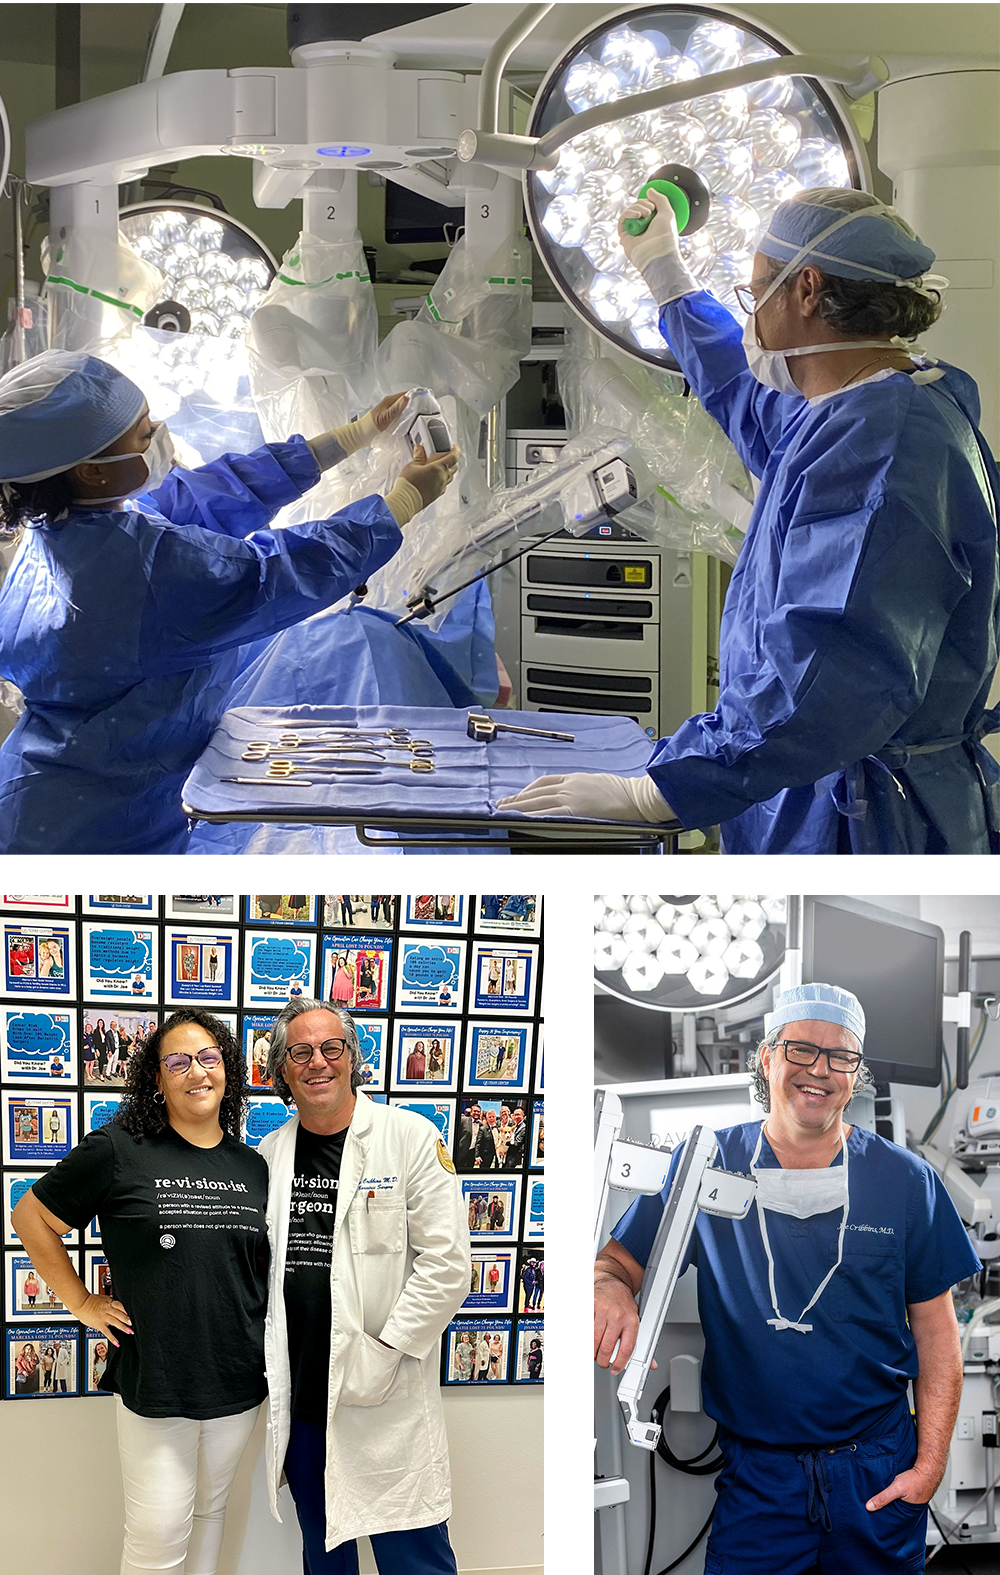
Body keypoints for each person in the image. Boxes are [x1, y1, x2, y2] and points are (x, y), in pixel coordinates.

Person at [500, 188, 1000, 854]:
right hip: (810, 783)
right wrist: (666, 276)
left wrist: (663, 789)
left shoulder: (885, 444)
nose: (752, 312)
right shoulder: (858, 407)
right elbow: (747, 394)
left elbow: (827, 677)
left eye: (757, 290)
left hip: (866, 817)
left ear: (809, 290)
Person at [0, 351, 460, 854]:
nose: (159, 433)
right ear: (91, 470)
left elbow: (205, 498)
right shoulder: (140, 574)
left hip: (47, 780)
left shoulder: (63, 533)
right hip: (87, 826)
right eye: (143, 433)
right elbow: (275, 573)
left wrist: (357, 433)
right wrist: (401, 505)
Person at [594, 982, 982, 1573]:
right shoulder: (704, 1164)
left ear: (857, 1073)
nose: (820, 1071)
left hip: (874, 1471)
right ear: (767, 1057)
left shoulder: (906, 1182)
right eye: (802, 1050)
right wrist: (610, 1290)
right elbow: (617, 1262)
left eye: (841, 1056)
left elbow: (936, 1334)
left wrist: (929, 1467)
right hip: (762, 1483)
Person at [11, 1008, 269, 1575]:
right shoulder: (117, 1149)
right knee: (155, 1537)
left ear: (227, 1068)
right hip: (156, 1375)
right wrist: (82, 1302)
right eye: (177, 1061)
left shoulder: (254, 1165)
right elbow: (30, 1217)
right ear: (156, 1078)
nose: (195, 1071)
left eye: (208, 1057)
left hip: (237, 1376)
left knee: (211, 1512)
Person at [257, 997, 471, 1574]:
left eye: (332, 1048)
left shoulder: (409, 1138)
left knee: (415, 1562)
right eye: (300, 1052)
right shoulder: (271, 1154)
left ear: (353, 1058)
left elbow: (448, 1267)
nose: (317, 1062)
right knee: (324, 1559)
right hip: (303, 1396)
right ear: (282, 1069)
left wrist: (385, 1351)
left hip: (384, 1392)